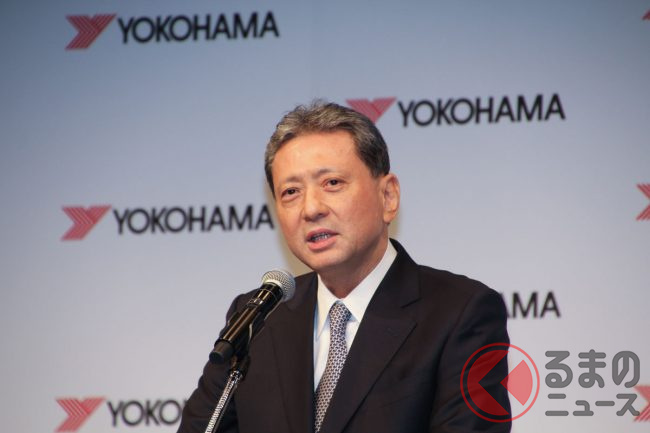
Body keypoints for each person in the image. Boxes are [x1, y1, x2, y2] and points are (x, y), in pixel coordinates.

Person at [178, 101, 511, 433]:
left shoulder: (459, 313)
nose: (311, 209)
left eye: (332, 183)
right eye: (291, 192)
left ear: (388, 196)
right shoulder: (260, 319)